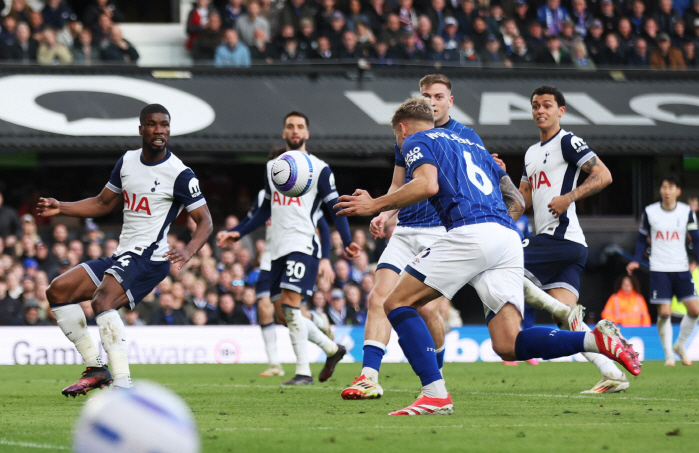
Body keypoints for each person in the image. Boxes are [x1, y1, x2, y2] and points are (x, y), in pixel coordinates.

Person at [335, 96, 640, 415]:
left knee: (395, 302)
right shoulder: (471, 142)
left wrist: (376, 205)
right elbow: (513, 198)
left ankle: (435, 394)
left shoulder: (416, 139)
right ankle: (595, 341)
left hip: (471, 231)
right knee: (508, 343)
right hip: (507, 235)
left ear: (401, 128)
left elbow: (426, 185)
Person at [37, 104, 213, 396]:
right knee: (58, 290)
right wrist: (61, 207)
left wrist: (191, 249)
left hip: (149, 258)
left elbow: (205, 220)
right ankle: (96, 369)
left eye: (165, 125)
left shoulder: (180, 173)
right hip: (123, 255)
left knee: (102, 299)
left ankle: (122, 384)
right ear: (141, 128)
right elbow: (103, 203)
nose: (160, 131)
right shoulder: (128, 161)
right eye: (153, 124)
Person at [340, 74, 485, 400]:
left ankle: (436, 376)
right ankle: (369, 377)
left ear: (450, 100)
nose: (431, 101)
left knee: (428, 310)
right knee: (377, 298)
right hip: (405, 231)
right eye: (425, 95)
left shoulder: (465, 136)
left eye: (437, 95)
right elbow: (397, 185)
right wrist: (385, 213)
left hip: (441, 233)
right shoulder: (405, 138)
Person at [217, 111, 360, 385]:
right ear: (283, 133)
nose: (295, 131)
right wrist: (237, 233)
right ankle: (332, 349)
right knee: (282, 314)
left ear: (307, 133)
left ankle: (303, 372)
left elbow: (334, 208)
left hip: (303, 244)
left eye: (300, 127)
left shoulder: (319, 168)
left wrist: (347, 241)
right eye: (290, 127)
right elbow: (263, 212)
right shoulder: (273, 169)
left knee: (292, 309)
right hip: (276, 252)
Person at [512, 85, 633, 394]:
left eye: (547, 105)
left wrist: (569, 197)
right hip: (566, 245)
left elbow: (603, 175)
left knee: (504, 263)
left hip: (560, 238)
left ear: (560, 111)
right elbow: (522, 200)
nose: (540, 110)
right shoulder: (530, 153)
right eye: (536, 105)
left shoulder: (567, 141)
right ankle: (613, 373)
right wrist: (499, 218)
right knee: (566, 320)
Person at [627, 175, 699, 366]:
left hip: (681, 268)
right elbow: (642, 239)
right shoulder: (650, 212)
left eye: (671, 187)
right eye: (664, 187)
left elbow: (696, 239)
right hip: (659, 269)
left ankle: (680, 345)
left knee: (695, 310)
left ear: (678, 191)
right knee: (665, 313)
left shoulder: (686, 212)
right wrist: (636, 260)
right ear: (660, 190)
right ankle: (668, 355)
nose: (667, 191)